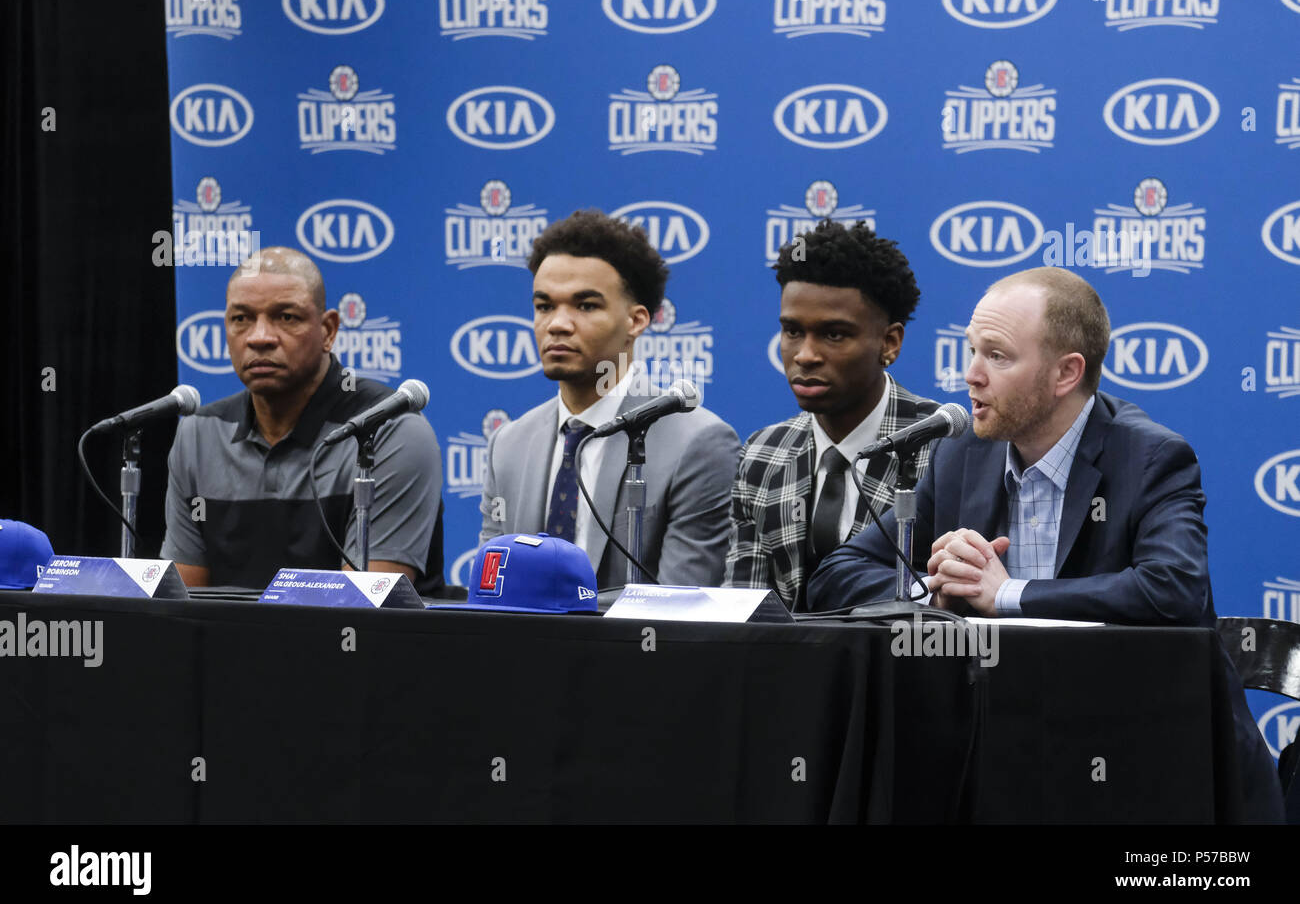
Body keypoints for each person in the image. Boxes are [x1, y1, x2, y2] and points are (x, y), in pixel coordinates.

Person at [806, 266, 1282, 819]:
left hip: (1151, 761)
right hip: (1011, 756)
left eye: (998, 356)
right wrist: (931, 593)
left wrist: (1008, 595)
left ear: (1065, 373)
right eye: (971, 351)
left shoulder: (1151, 458)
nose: (971, 376)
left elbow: (1172, 589)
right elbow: (838, 572)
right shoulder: (961, 457)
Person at [479, 209, 739, 590]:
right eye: (544, 306)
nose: (557, 324)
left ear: (636, 321)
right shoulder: (509, 444)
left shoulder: (698, 443)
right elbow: (493, 593)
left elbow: (679, 610)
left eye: (586, 306)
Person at [161, 247, 444, 592]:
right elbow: (182, 604)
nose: (259, 337)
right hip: (230, 644)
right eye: (241, 318)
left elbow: (363, 606)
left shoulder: (387, 430)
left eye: (286, 317)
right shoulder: (199, 434)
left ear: (328, 331)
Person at [725, 220, 939, 610]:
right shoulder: (761, 453)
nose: (805, 354)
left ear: (889, 342)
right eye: (792, 331)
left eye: (834, 334)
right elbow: (746, 610)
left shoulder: (942, 447)